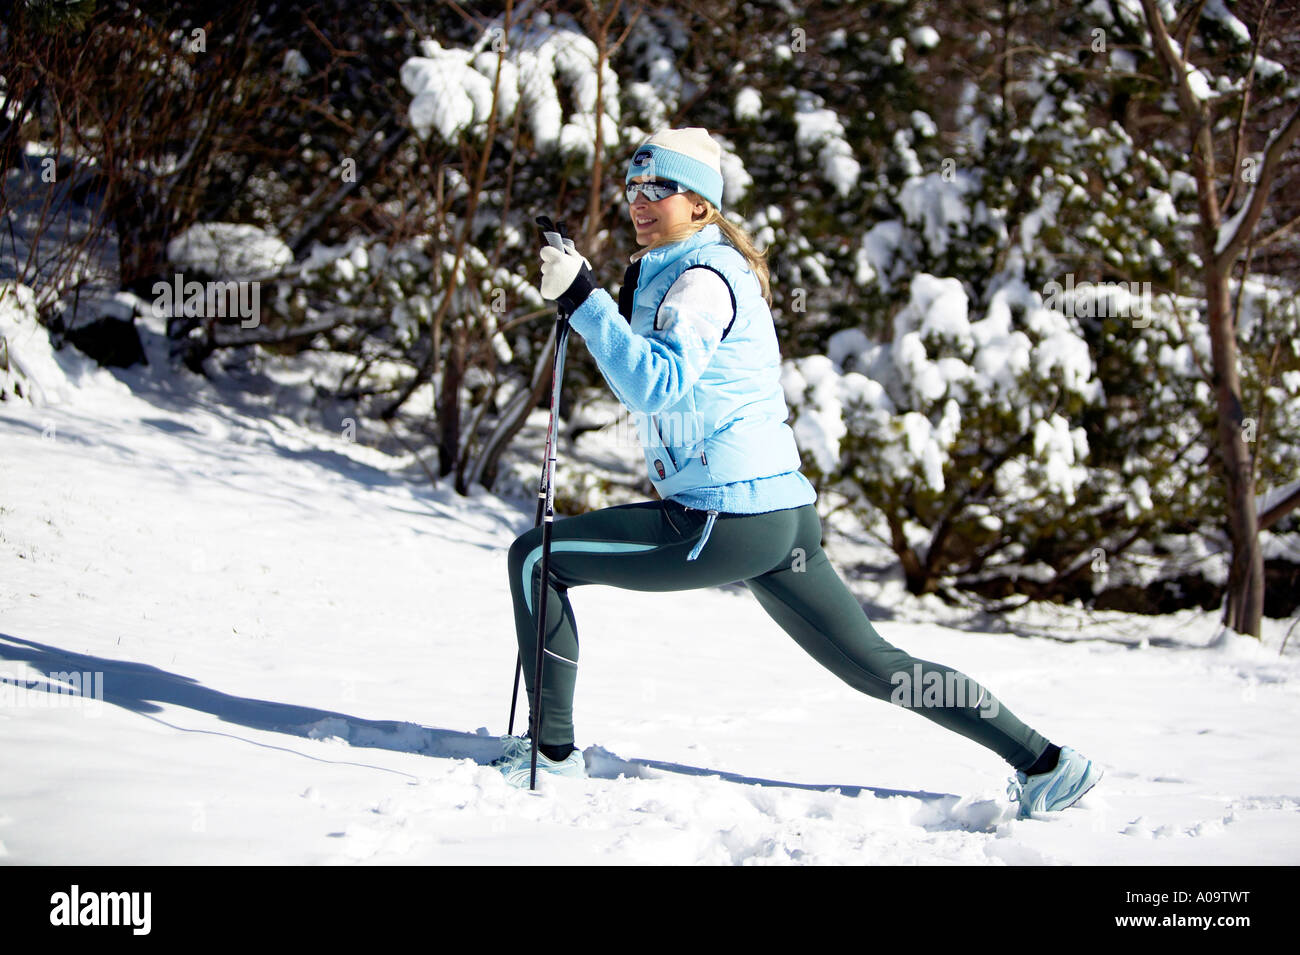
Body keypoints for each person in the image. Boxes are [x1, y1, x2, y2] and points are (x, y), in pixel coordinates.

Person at [494, 127, 1101, 818]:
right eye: (634, 189)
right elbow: (658, 376)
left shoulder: (700, 281)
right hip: (777, 519)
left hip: (722, 517)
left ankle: (550, 753)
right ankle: (1049, 763)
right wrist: (593, 297)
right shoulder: (686, 271)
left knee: (538, 557)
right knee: (878, 664)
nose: (641, 201)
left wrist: (585, 302)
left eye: (660, 188)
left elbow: (653, 384)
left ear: (700, 204)